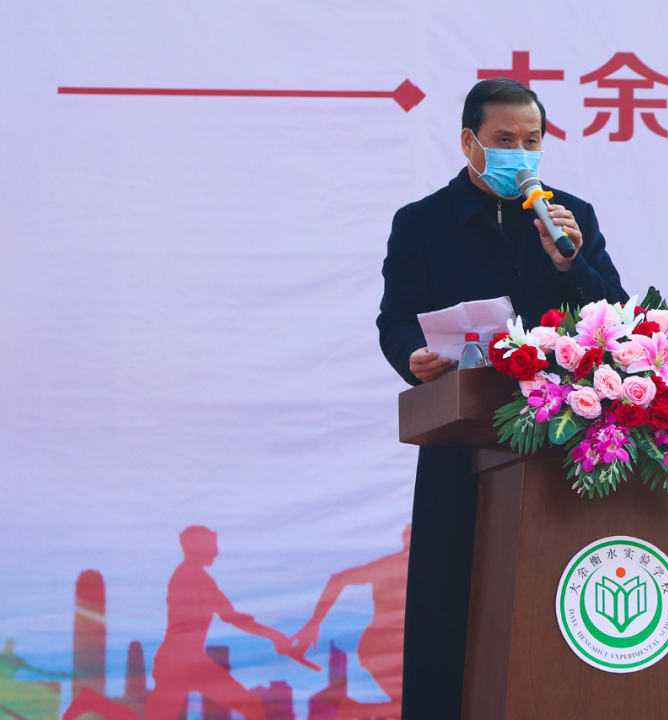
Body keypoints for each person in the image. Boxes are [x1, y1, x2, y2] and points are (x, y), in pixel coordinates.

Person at [376, 78, 628, 720]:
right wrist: (412, 356)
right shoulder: (421, 223)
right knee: (450, 603)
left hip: (557, 442)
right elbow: (396, 318)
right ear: (470, 143)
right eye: (505, 140)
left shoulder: (569, 217)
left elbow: (617, 319)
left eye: (532, 140)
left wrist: (571, 265)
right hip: (462, 441)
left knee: (549, 598)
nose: (521, 153)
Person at [62, 526, 315, 720]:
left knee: (252, 707)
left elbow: (232, 616)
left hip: (188, 663)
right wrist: (274, 636)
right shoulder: (191, 577)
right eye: (212, 545)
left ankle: (92, 701)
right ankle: (93, 701)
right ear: (197, 548)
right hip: (179, 665)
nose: (216, 551)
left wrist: (274, 636)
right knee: (253, 707)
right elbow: (232, 617)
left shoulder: (199, 577)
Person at [291, 525, 411, 720]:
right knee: (406, 705)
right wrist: (315, 622)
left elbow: (338, 580)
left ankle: (352, 710)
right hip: (382, 647)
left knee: (405, 705)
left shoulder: (393, 568)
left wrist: (315, 622)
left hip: (389, 647)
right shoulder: (386, 567)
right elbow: (338, 579)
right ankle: (352, 710)